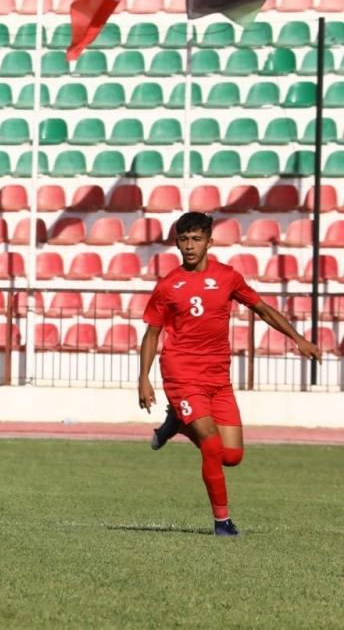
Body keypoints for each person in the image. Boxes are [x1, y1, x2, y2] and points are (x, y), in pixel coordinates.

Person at [138, 212, 321, 537]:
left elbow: (262, 309)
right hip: (181, 373)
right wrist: (144, 378)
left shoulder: (227, 277)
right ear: (176, 243)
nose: (190, 246)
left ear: (209, 242)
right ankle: (222, 522)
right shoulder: (168, 285)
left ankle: (178, 423)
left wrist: (298, 339)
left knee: (232, 456)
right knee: (211, 445)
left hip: (218, 376)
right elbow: (152, 333)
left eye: (196, 239)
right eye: (184, 239)